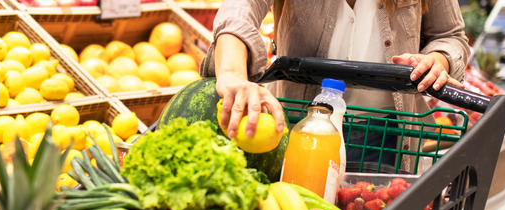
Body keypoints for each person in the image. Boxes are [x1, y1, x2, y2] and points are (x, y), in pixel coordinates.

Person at [200, 0, 470, 169]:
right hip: (296, 129)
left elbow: (450, 35)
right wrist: (232, 73)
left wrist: (438, 60)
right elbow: (239, 10)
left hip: (386, 138)